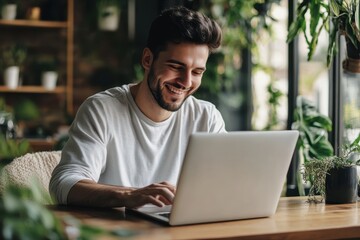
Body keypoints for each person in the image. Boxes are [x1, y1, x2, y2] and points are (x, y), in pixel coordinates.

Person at [49, 6, 226, 209]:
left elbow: (225, 184)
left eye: (197, 72)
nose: (185, 82)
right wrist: (127, 196)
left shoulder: (207, 117)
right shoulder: (101, 110)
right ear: (147, 59)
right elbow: (63, 183)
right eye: (176, 67)